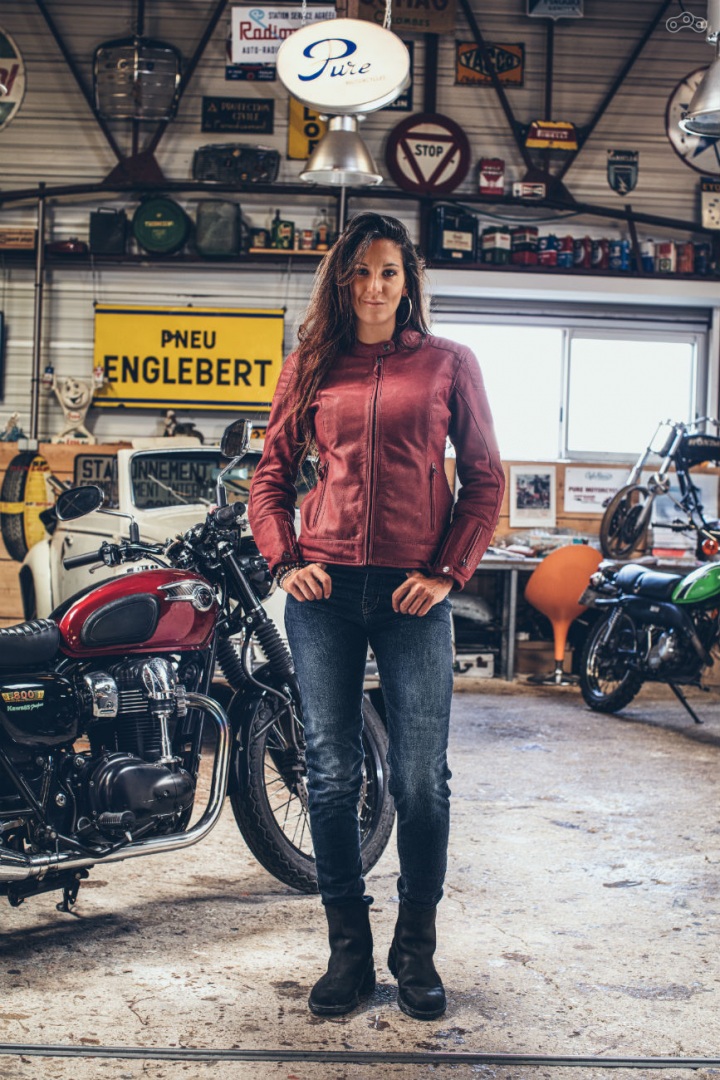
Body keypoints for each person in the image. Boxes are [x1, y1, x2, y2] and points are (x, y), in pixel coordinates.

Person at [248, 212, 504, 1021]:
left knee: (421, 779)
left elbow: (486, 479)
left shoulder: (449, 363)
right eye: (359, 271)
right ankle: (348, 952)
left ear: (408, 281)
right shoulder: (310, 365)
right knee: (331, 775)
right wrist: (285, 560)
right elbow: (269, 478)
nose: (373, 287)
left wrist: (448, 571)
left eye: (388, 271)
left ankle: (415, 950)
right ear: (341, 280)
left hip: (412, 594)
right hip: (324, 594)